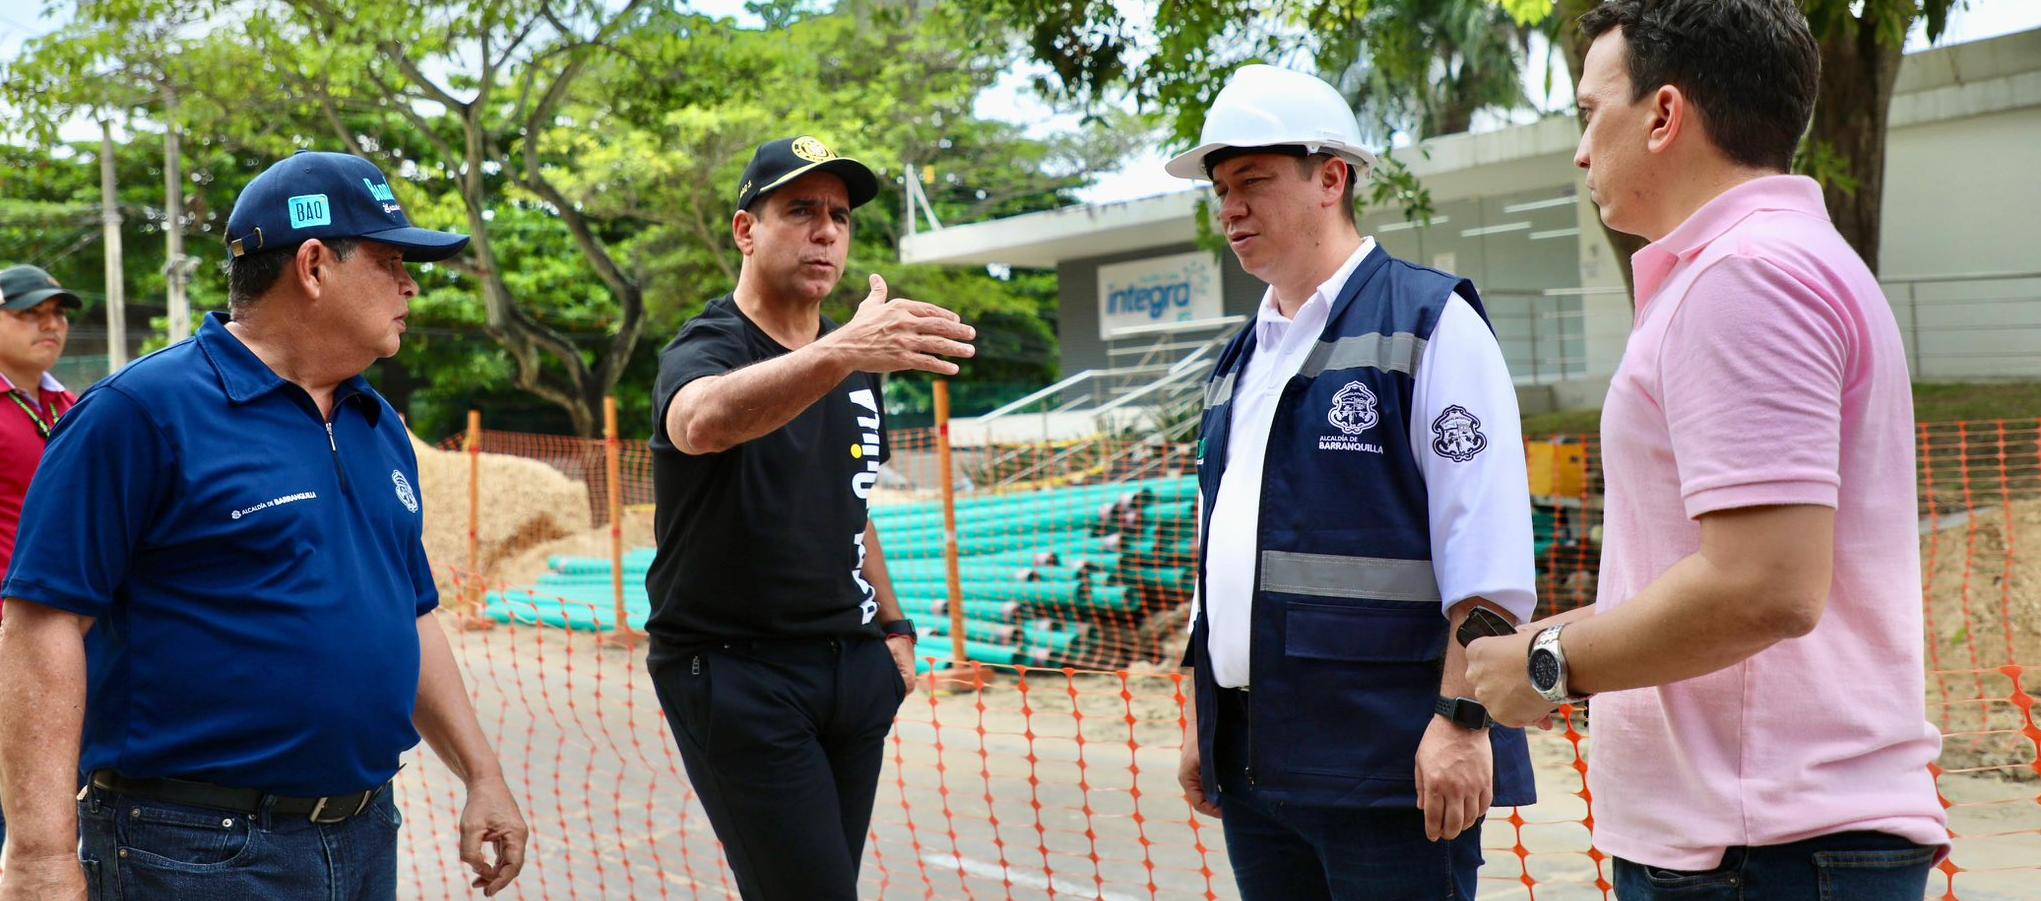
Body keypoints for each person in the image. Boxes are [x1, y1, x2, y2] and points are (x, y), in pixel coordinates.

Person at [1465, 2, 1950, 898]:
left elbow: (1762, 584)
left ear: (1662, 115)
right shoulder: (1780, 261)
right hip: (1766, 838)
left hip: (1761, 845)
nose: (1578, 150)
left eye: (1587, 113)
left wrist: (1548, 661)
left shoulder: (1744, 276)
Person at [0, 151, 528, 900]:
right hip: (191, 848)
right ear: (313, 265)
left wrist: (483, 773)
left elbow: (411, 612)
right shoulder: (141, 413)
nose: (410, 284)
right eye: (389, 261)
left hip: (366, 829)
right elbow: (41, 626)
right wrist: (40, 858)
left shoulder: (375, 423)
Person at [1169, 65, 1538, 900]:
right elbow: (1214, 553)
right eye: (1220, 188)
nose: (1228, 208)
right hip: (1260, 764)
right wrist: (1202, 715)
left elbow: (1486, 550)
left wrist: (1462, 720)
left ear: (1331, 178)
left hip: (1393, 765)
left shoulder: (1430, 322)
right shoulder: (1242, 358)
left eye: (1252, 183)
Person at [645, 135, 975, 900]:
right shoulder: (708, 345)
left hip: (850, 669)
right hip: (737, 672)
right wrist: (844, 349)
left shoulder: (853, 358)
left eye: (839, 215)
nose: (826, 230)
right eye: (799, 210)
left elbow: (848, 504)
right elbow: (701, 423)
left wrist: (893, 631)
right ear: (745, 230)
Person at [0, 263, 84, 852]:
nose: (49, 325)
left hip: (64, 642)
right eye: (29, 313)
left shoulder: (72, 406)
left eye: (56, 313)